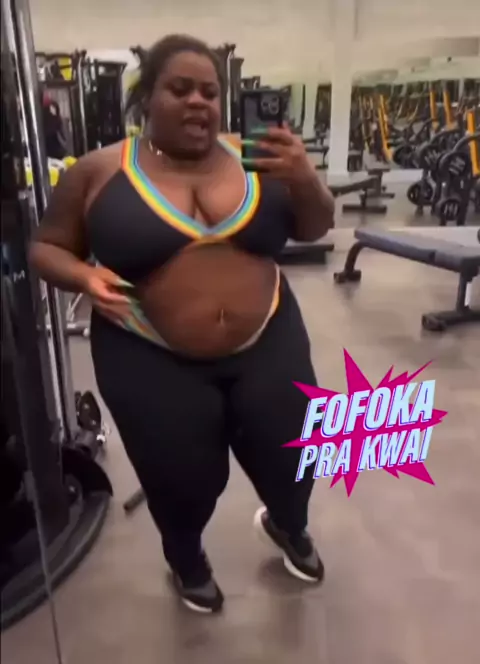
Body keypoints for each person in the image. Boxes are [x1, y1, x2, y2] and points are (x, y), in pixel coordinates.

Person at [29, 34, 335, 614]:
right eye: (180, 89)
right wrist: (84, 277)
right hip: (147, 347)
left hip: (266, 334)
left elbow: (315, 226)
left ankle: (289, 523)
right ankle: (186, 558)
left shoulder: (259, 158)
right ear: (146, 97)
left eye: (209, 92)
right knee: (181, 475)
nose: (198, 101)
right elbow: (45, 247)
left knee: (295, 453)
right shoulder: (98, 171)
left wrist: (305, 178)